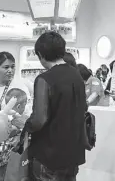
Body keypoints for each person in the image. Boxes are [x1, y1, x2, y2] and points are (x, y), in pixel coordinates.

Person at [25, 31, 87, 181]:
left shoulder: (44, 79)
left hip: (48, 154)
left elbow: (40, 119)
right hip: (72, 152)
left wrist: (26, 125)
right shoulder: (76, 75)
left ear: (40, 54)